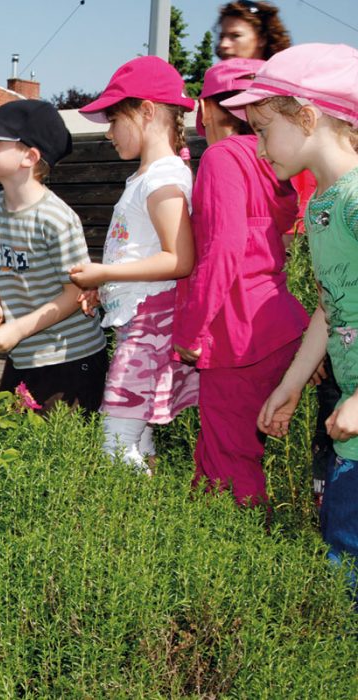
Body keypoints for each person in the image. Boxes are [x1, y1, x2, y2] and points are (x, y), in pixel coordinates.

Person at [228, 43, 358, 579]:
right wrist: (293, 382)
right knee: (341, 547)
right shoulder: (325, 203)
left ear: (306, 117)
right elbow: (332, 306)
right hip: (349, 418)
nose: (258, 148)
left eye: (262, 129)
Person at [172, 59, 308, 505]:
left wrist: (192, 329)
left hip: (237, 337)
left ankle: (230, 559)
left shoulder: (222, 156)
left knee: (226, 467)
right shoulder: (276, 160)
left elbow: (225, 247)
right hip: (281, 326)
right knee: (246, 455)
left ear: (207, 109)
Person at [70, 56, 199, 473]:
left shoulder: (164, 177)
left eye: (113, 120)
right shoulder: (149, 176)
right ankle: (145, 521)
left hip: (150, 327)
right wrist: (104, 288)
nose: (108, 133)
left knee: (115, 441)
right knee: (137, 439)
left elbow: (178, 259)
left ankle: (122, 528)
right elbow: (140, 252)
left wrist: (104, 273)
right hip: (141, 322)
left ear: (147, 110)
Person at [0, 100, 107, 413]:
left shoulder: (56, 218)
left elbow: (77, 293)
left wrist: (17, 329)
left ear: (29, 156)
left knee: (57, 457)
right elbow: (7, 273)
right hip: (24, 354)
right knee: (11, 448)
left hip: (69, 359)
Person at [215, 0, 291, 61]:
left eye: (236, 35)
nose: (223, 44)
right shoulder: (212, 77)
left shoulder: (285, 78)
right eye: (222, 37)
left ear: (261, 39)